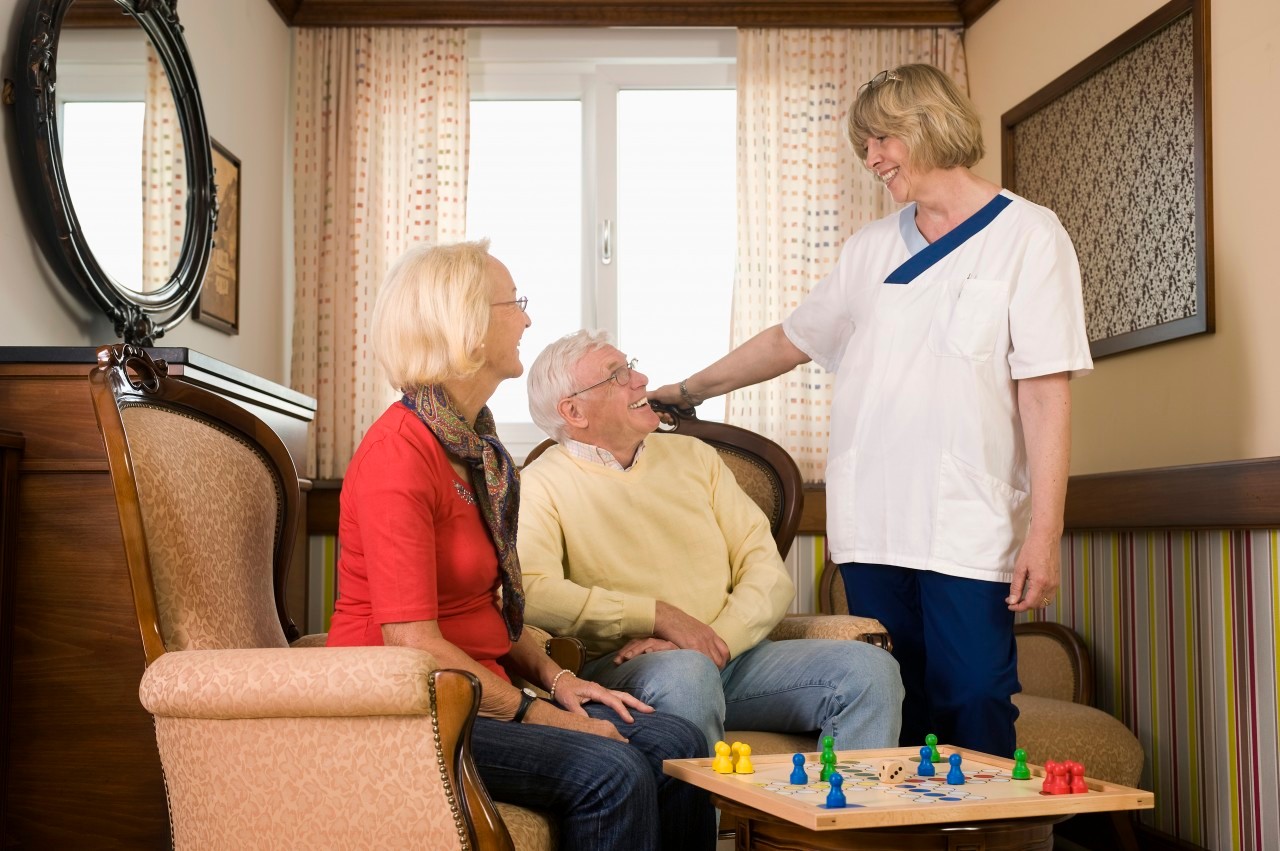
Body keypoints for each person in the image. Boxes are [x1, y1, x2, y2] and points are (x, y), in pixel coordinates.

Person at [651, 64, 1094, 758]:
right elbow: (786, 340)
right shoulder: (868, 250)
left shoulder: (1029, 237)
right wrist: (689, 389)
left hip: (965, 521)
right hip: (874, 522)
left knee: (975, 694)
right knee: (894, 703)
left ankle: (987, 838)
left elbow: (1045, 392)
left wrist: (1045, 531)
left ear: (929, 125)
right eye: (865, 146)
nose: (873, 159)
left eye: (882, 139)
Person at [325, 241, 715, 851]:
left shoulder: (475, 449)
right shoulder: (398, 455)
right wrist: (538, 713)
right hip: (406, 704)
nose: (528, 319)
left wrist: (559, 680)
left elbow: (490, 613)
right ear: (468, 325)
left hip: (475, 685)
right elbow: (412, 644)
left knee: (678, 747)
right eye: (515, 303)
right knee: (610, 772)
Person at [518, 329, 904, 753]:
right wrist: (657, 616)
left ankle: (838, 817)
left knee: (870, 670)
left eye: (631, 365)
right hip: (633, 669)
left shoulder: (695, 456)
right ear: (573, 411)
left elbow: (767, 573)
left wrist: (712, 641)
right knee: (686, 674)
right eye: (617, 375)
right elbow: (533, 592)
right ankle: (704, 820)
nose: (641, 378)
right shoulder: (539, 484)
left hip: (734, 655)